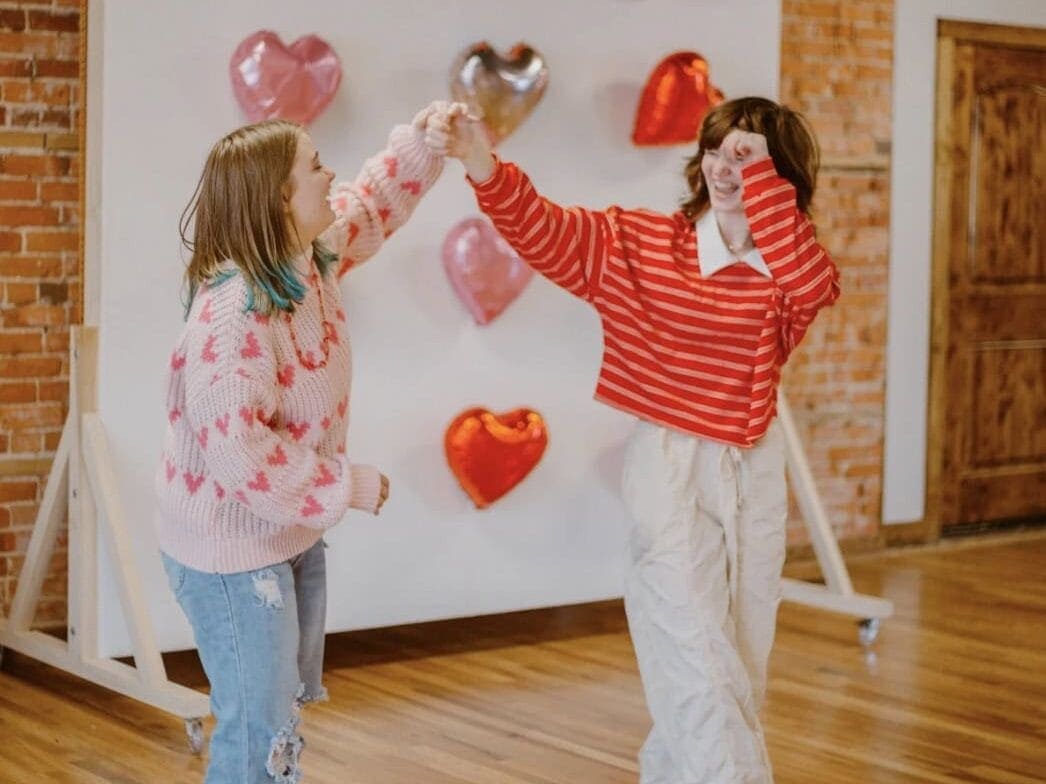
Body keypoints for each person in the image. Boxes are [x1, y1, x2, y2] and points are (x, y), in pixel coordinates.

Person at [435, 96, 840, 783]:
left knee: (740, 657)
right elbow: (544, 230)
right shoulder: (642, 243)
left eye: (745, 152)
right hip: (670, 465)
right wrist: (479, 161)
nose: (724, 165)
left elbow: (815, 284)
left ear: (782, 178)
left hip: (751, 473)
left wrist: (762, 188)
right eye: (715, 150)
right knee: (697, 658)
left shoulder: (788, 272)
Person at [155, 100, 465, 783]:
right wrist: (345, 484)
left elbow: (371, 203)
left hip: (284, 532)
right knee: (257, 727)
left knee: (278, 721)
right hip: (232, 554)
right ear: (279, 200)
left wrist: (425, 143)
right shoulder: (233, 318)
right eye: (315, 166)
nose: (331, 177)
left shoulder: (307, 259)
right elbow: (242, 455)